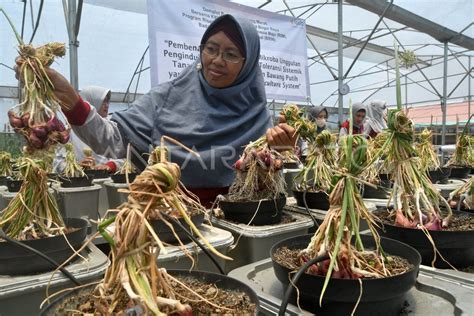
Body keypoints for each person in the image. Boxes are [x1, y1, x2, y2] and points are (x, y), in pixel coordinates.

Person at [17, 14, 296, 205]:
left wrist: (280, 154)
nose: (217, 60)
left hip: (237, 224)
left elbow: (265, 184)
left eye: (231, 54)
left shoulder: (257, 114)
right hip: (168, 219)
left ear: (248, 64)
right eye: (210, 48)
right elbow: (112, 141)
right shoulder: (166, 98)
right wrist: (69, 97)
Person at [53, 86, 123, 173]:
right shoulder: (70, 131)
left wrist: (111, 165)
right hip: (81, 182)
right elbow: (57, 163)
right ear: (91, 101)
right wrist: (76, 166)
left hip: (108, 180)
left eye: (107, 101)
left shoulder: (112, 129)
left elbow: (124, 156)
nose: (106, 105)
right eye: (103, 101)